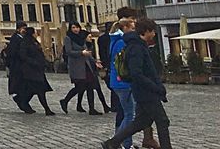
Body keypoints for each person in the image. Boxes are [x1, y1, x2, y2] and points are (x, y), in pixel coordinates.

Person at [102, 18, 172, 149]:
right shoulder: (136, 47)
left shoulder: (137, 45)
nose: (154, 34)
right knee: (162, 121)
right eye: (152, 31)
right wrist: (155, 87)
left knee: (141, 122)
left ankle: (112, 143)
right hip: (146, 92)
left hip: (143, 91)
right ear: (146, 32)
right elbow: (137, 73)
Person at [61, 24, 107, 113]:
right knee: (80, 87)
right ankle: (65, 100)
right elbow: (69, 52)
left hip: (86, 65)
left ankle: (92, 109)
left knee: (90, 86)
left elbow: (87, 53)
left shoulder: (81, 38)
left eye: (77, 27)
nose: (76, 29)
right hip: (76, 66)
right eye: (73, 27)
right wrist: (81, 53)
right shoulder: (68, 38)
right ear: (70, 29)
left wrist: (95, 62)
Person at [108, 16, 135, 149]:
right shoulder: (122, 42)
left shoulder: (114, 40)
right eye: (132, 28)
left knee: (127, 113)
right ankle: (118, 141)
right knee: (130, 114)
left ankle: (123, 143)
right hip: (123, 82)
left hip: (117, 81)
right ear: (125, 28)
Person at [14, 27, 55, 115]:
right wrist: (34, 62)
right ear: (32, 33)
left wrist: (45, 62)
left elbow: (39, 54)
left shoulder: (35, 42)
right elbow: (23, 56)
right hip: (31, 71)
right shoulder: (25, 43)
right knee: (40, 90)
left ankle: (20, 99)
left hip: (38, 70)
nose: (37, 33)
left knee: (32, 90)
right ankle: (46, 109)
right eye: (35, 32)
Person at [3, 21, 27, 104]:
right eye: (23, 28)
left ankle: (21, 100)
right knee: (19, 84)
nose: (25, 30)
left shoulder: (21, 38)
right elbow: (13, 53)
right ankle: (19, 99)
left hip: (20, 66)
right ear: (18, 29)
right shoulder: (15, 39)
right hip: (16, 66)